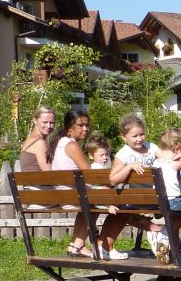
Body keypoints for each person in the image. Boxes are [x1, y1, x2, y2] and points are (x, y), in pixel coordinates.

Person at [46, 109, 126, 260]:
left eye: (87, 125)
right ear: (70, 127)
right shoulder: (72, 146)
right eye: (81, 125)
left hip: (66, 193)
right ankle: (102, 246)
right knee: (121, 203)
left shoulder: (60, 142)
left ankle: (77, 245)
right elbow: (90, 174)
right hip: (72, 194)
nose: (85, 129)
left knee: (94, 202)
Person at [109, 113, 171, 263]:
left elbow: (166, 160)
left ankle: (163, 235)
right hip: (137, 198)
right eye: (134, 136)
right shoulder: (123, 154)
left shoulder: (151, 147)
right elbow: (113, 179)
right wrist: (129, 167)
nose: (139, 139)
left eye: (142, 134)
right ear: (124, 138)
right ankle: (160, 233)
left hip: (154, 196)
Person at [18, 105, 55, 172]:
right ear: (35, 121)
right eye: (45, 122)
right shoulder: (39, 143)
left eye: (51, 123)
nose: (49, 126)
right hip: (40, 182)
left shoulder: (30, 139)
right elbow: (49, 173)